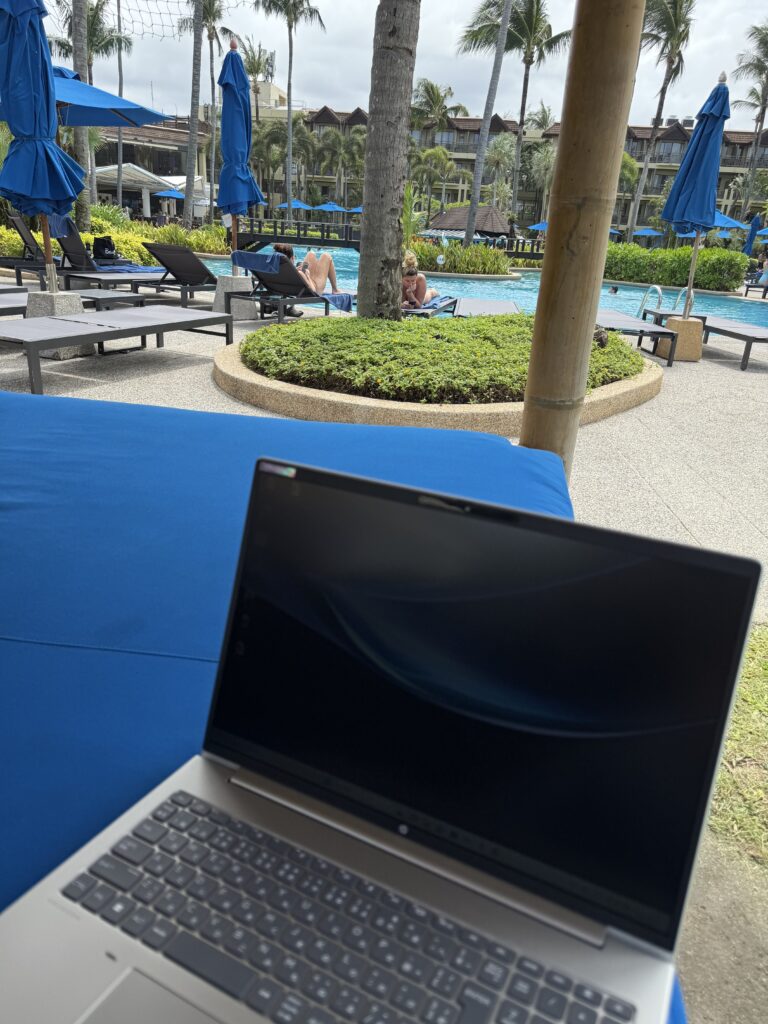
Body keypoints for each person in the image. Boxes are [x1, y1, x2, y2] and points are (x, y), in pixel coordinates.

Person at [273, 242, 344, 295]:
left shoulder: (274, 270)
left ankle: (306, 269)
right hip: (315, 288)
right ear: (292, 258)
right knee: (327, 256)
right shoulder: (299, 273)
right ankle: (335, 289)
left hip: (301, 284)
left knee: (311, 254)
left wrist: (297, 270)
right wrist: (307, 275)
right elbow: (314, 291)